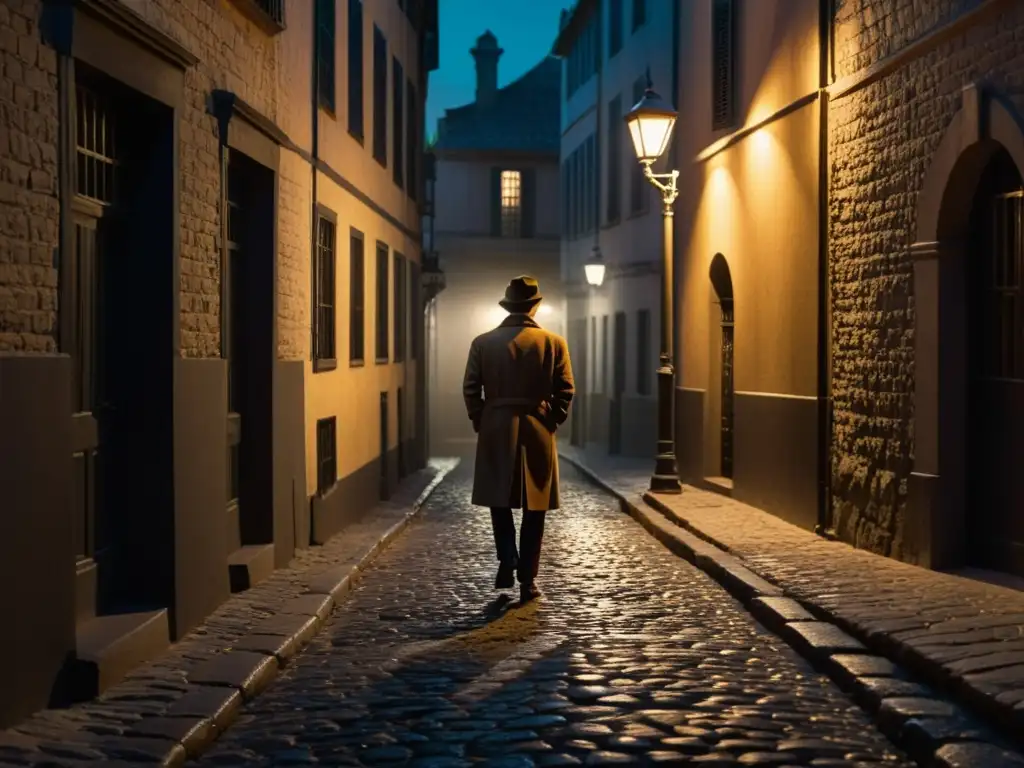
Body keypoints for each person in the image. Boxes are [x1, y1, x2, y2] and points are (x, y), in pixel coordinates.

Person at [462, 275, 575, 604]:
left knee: (499, 500)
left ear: (508, 306)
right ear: (535, 306)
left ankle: (507, 559)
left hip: (496, 425)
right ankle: (528, 578)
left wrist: (481, 418)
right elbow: (565, 388)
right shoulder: (553, 343)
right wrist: (551, 419)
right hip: (537, 425)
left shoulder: (482, 343)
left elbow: (471, 387)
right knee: (534, 506)